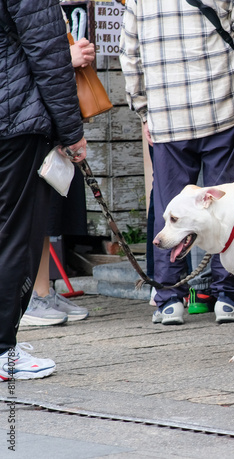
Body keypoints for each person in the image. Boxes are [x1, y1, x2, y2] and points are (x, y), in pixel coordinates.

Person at [119, 0, 234, 326]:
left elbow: (130, 55)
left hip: (167, 116)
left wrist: (144, 109)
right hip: (223, 108)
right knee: (226, 207)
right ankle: (229, 299)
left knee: (170, 209)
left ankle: (169, 301)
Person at [0, 0, 87, 380]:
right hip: (13, 119)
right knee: (16, 235)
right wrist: (72, 132)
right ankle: (3, 351)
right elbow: (49, 53)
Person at [20, 9, 93, 327]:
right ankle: (30, 296)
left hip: (38, 116)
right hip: (21, 118)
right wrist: (67, 57)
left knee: (48, 211)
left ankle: (42, 290)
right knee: (30, 214)